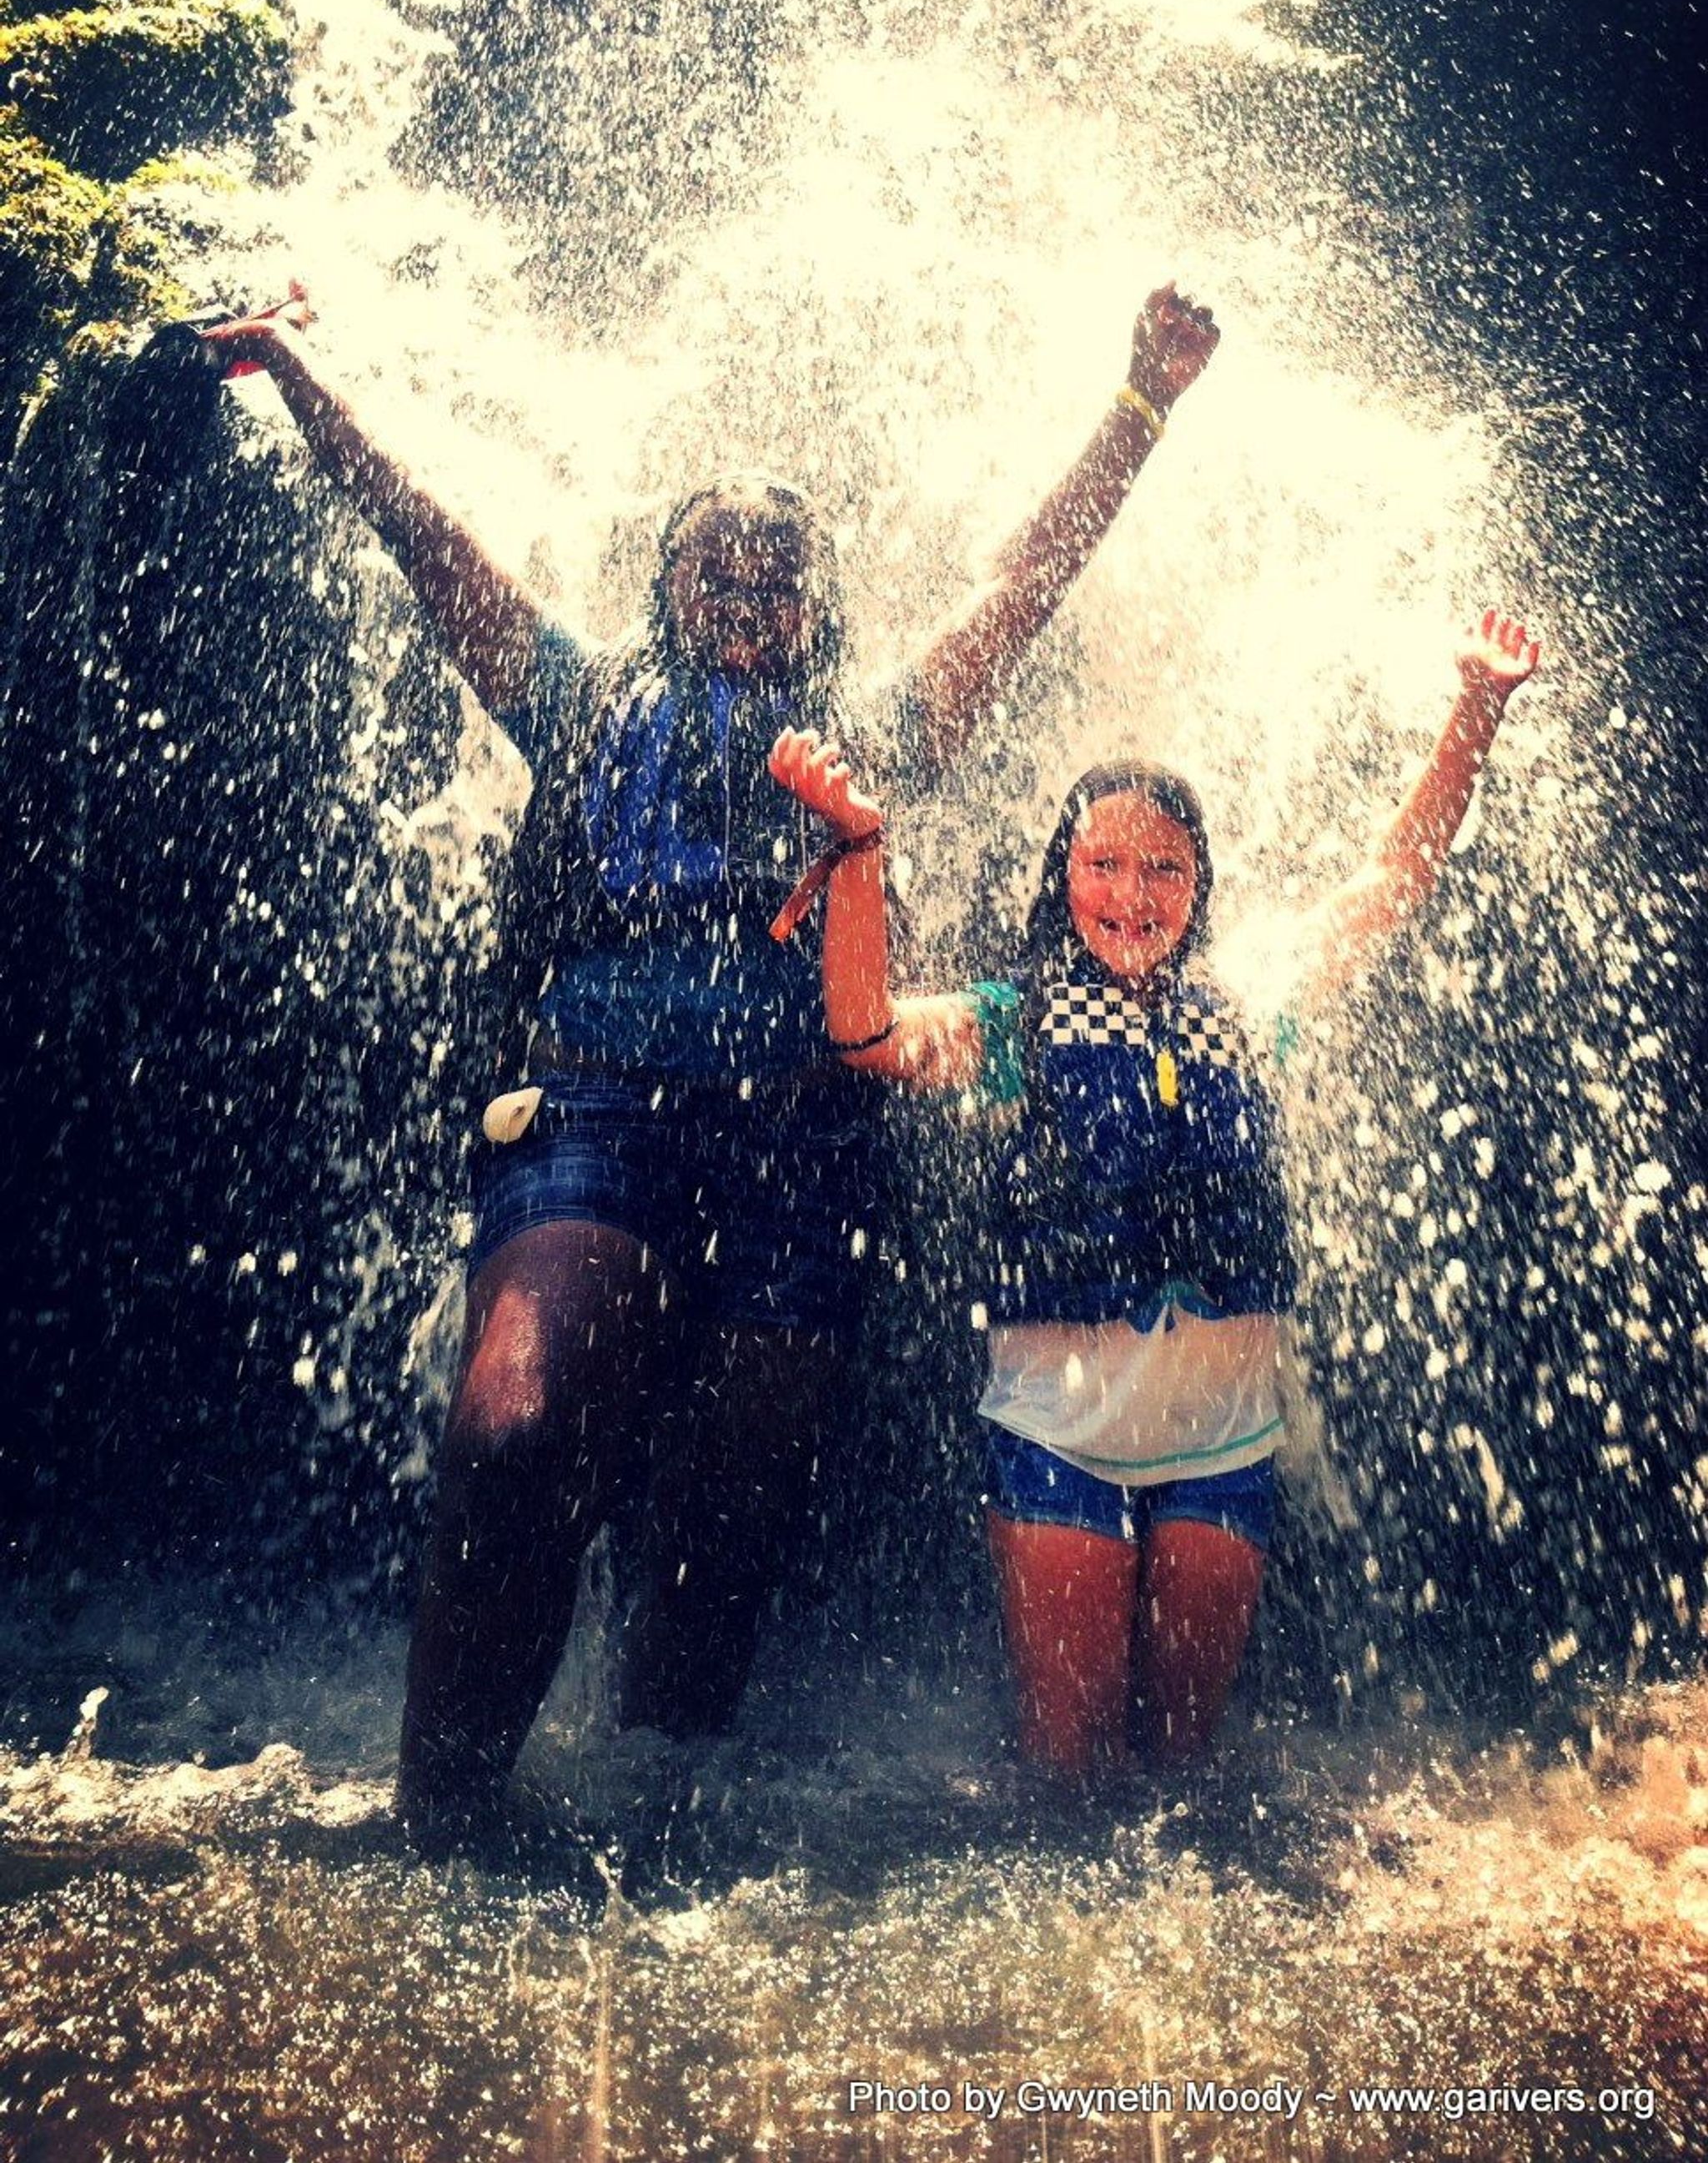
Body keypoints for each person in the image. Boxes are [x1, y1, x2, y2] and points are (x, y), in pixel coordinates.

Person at [198, 281, 1221, 1847]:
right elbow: (427, 535)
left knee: (737, 1501)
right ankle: (442, 1812)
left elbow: (1025, 586)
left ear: (815, 609)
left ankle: (649, 1804)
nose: (746, 597)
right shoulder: (583, 696)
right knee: (520, 1424)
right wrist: (298, 375)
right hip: (597, 1112)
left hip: (807, 1144)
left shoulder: (870, 730)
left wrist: (1143, 397)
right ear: (665, 583)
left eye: (776, 580)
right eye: (713, 569)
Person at [768, 606, 1541, 1777]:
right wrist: (858, 854)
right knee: (1070, 1777)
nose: (1134, 892)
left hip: (1221, 1434)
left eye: (1165, 866)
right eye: (1105, 864)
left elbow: (1396, 877)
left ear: (1198, 884)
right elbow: (866, 1033)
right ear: (1063, 876)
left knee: (1183, 1775)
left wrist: (1475, 711)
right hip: (1061, 1431)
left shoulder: (1249, 997)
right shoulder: (1014, 1021)